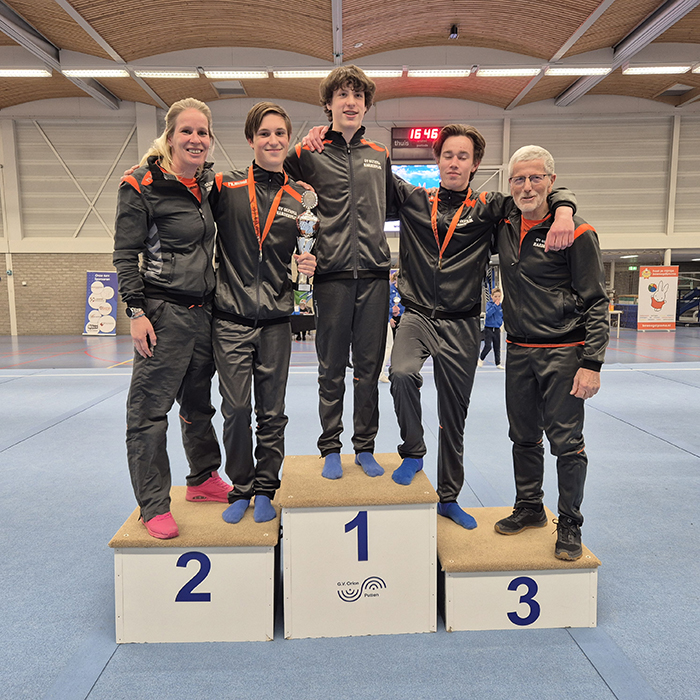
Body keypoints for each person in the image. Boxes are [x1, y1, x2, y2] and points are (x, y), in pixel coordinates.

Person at [386, 125, 577, 529]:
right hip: (417, 314)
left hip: (462, 323)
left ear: (474, 165)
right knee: (401, 374)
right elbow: (361, 173)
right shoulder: (413, 198)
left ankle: (449, 497)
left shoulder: (490, 206)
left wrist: (564, 209)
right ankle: (413, 449)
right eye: (448, 155)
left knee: (453, 416)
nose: (454, 162)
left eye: (463, 156)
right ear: (437, 160)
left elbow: (538, 192)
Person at [114, 98, 229, 540]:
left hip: (205, 314)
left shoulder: (205, 185)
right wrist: (136, 311)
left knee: (199, 406)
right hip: (162, 313)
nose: (196, 139)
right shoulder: (140, 184)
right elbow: (125, 253)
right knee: (149, 413)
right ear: (169, 135)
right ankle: (153, 505)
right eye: (188, 131)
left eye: (203, 132)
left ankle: (201, 479)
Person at [493, 145, 608, 560]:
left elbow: (596, 301)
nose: (527, 186)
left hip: (564, 352)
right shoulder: (504, 222)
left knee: (566, 442)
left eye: (536, 177)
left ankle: (571, 523)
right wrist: (562, 205)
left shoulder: (577, 232)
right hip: (518, 351)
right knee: (522, 437)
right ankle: (529, 507)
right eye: (519, 179)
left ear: (551, 182)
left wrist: (591, 364)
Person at [284, 65, 393, 480]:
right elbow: (273, 187)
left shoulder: (379, 155)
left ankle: (364, 446)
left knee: (369, 369)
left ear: (366, 106)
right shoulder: (307, 152)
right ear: (328, 104)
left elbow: (402, 202)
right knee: (330, 368)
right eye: (342, 95)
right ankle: (330, 446)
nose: (351, 102)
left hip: (374, 277)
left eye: (358, 96)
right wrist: (297, 252)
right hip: (328, 277)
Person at [210, 102, 317, 524]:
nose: (273, 141)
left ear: (287, 140)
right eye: (265, 133)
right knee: (236, 408)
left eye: (280, 134)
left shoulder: (301, 197)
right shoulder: (224, 186)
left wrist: (309, 265)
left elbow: (307, 253)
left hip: (276, 319)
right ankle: (241, 485)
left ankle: (267, 488)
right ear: (251, 139)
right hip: (231, 319)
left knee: (272, 412)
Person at [379, 271, 403, 383]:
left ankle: (395, 371)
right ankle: (380, 372)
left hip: (403, 319)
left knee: (397, 348)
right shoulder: (389, 289)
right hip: (389, 319)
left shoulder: (406, 289)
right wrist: (390, 317)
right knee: (388, 347)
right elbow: (383, 304)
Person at [478, 288, 504, 368]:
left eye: (499, 296)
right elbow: (488, 314)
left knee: (497, 346)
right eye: (495, 296)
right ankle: (481, 359)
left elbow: (502, 316)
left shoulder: (501, 307)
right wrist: (495, 306)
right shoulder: (489, 305)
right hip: (488, 328)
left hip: (496, 329)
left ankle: (498, 363)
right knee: (488, 346)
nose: (497, 298)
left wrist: (500, 323)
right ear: (492, 296)